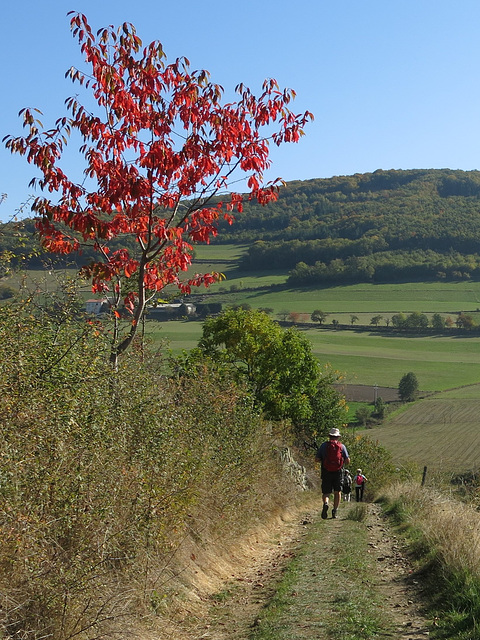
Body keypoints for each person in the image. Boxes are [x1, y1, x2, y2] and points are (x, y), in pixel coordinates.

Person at [315, 427, 350, 519]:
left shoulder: (323, 446)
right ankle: (335, 511)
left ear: (329, 436)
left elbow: (317, 459)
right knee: (337, 492)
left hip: (326, 471)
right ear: (338, 437)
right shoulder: (342, 447)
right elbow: (347, 460)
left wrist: (324, 459)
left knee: (326, 492)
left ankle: (326, 503)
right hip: (338, 472)